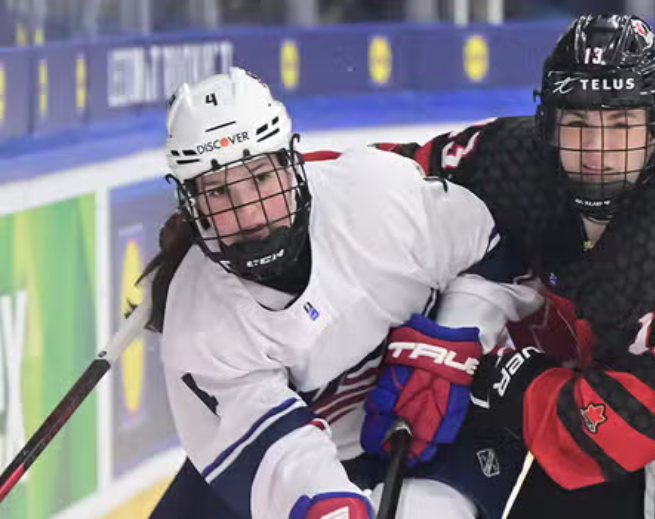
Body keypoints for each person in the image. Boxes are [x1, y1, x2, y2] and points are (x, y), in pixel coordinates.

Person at [367, 14, 655, 519]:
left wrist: (498, 374)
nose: (598, 152)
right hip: (632, 391)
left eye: (620, 125)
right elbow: (378, 183)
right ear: (548, 122)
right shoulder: (509, 158)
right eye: (577, 123)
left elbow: (618, 434)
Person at [142, 67, 542, 519]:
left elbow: (493, 251)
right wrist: (331, 509)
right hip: (312, 457)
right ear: (192, 204)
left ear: (291, 164)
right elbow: (283, 458)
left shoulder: (376, 197)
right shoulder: (199, 321)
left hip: (455, 430)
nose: (249, 212)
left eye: (260, 178)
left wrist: (453, 339)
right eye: (218, 192)